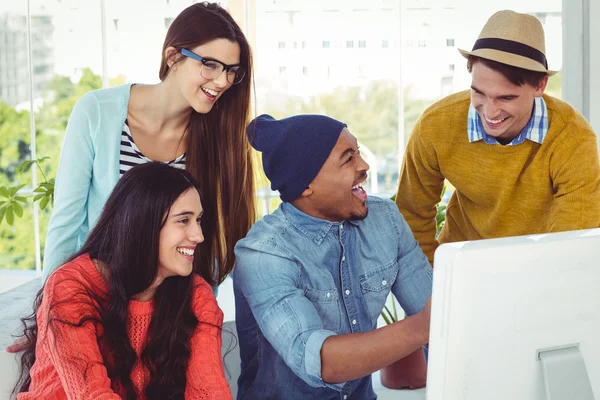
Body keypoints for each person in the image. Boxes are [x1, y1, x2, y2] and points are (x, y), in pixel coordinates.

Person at [43, 2, 255, 289]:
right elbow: (66, 225)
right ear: (172, 57)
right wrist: (50, 310)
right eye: (210, 65)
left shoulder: (220, 135)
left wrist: (202, 317)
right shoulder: (96, 111)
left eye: (231, 70)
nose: (222, 81)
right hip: (100, 297)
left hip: (173, 308)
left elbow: (209, 241)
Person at [233, 114, 433, 399]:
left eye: (358, 152)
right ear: (305, 186)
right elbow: (318, 360)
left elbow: (433, 307)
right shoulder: (264, 252)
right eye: (347, 158)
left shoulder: (385, 219)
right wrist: (425, 326)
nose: (364, 166)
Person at [395, 10, 600, 265]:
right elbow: (411, 216)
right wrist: (430, 286)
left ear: (539, 86)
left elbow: (574, 238)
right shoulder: (435, 126)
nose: (490, 112)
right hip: (462, 265)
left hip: (541, 269)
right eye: (479, 93)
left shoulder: (573, 137)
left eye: (506, 98)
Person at [14, 162, 232, 400]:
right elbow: (92, 395)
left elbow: (210, 391)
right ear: (143, 224)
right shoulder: (71, 286)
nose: (198, 236)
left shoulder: (196, 294)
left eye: (199, 220)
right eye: (183, 220)